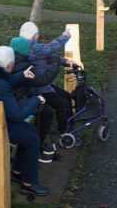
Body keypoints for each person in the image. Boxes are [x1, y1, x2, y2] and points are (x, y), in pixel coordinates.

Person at [0, 46, 49, 196]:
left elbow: (4, 79)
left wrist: (22, 75)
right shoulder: (1, 87)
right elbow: (18, 115)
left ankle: (17, 170)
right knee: (32, 138)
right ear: (9, 65)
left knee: (28, 133)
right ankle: (29, 182)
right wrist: (36, 100)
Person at [16, 22, 78, 157]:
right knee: (62, 104)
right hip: (38, 88)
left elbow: (49, 55)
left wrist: (65, 61)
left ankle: (66, 127)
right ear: (34, 35)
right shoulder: (32, 47)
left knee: (66, 97)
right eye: (37, 34)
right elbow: (50, 49)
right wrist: (65, 36)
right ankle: (64, 133)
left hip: (43, 84)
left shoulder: (31, 47)